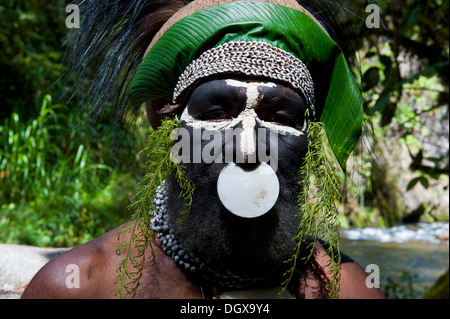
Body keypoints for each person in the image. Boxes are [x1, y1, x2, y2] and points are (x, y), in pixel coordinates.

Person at [22, 0, 384, 299]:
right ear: (170, 132)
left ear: (309, 146)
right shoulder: (83, 286)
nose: (247, 149)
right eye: (215, 114)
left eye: (278, 117)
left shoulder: (350, 290)